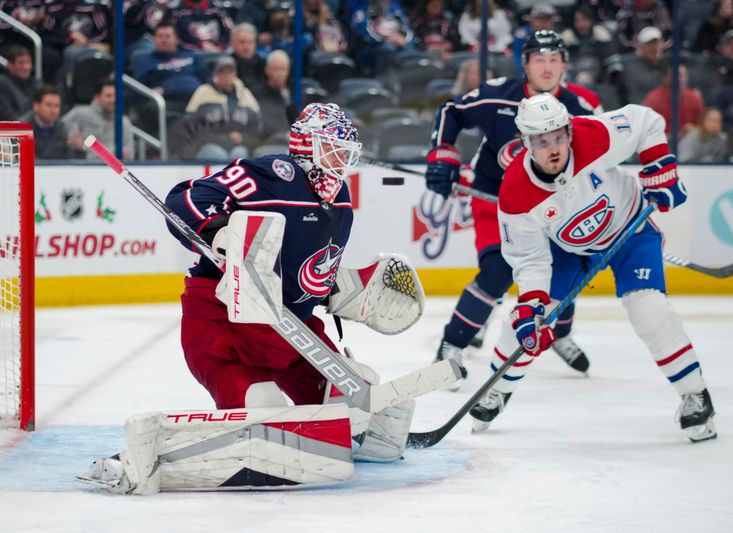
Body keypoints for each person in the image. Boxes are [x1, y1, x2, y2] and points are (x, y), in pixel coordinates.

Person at [79, 103, 432, 493]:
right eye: (332, 147)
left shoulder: (342, 200)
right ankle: (170, 454)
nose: (342, 159)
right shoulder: (271, 174)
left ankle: (349, 440)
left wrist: (342, 293)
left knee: (355, 393)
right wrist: (218, 231)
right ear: (306, 146)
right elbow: (185, 199)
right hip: (223, 323)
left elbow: (312, 270)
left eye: (345, 150)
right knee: (261, 405)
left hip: (291, 331)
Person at [469, 93, 716, 444]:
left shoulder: (593, 135)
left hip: (629, 228)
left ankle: (695, 393)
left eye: (558, 136)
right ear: (525, 142)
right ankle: (497, 388)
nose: (553, 148)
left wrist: (659, 165)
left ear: (569, 131)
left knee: (647, 308)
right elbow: (530, 260)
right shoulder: (515, 193)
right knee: (527, 319)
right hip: (568, 248)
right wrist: (533, 302)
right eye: (541, 141)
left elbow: (645, 121)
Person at [425, 30, 595, 389]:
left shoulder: (582, 106)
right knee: (498, 270)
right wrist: (443, 155)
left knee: (565, 268)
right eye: (539, 60)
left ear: (565, 63)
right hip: (496, 199)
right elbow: (451, 111)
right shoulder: (499, 96)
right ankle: (450, 345)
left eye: (554, 60)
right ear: (525, 63)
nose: (547, 68)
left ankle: (559, 333)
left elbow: (601, 158)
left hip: (553, 206)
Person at [62, 80, 134, 160]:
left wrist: (85, 148)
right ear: (97, 97)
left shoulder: (124, 122)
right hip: (82, 169)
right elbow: (64, 138)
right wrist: (114, 153)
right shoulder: (79, 114)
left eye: (116, 95)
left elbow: (129, 154)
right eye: (108, 96)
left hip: (113, 171)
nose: (113, 100)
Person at [641, 63, 705, 137]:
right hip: (661, 141)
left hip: (688, 142)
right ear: (665, 78)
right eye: (677, 75)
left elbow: (704, 125)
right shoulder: (653, 98)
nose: (680, 79)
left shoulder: (694, 97)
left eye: (683, 76)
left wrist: (694, 129)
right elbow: (645, 127)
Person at [19, 86, 77, 160]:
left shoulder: (65, 129)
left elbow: (72, 161)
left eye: (57, 106)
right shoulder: (22, 128)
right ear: (36, 106)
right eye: (48, 105)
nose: (53, 110)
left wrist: (79, 150)